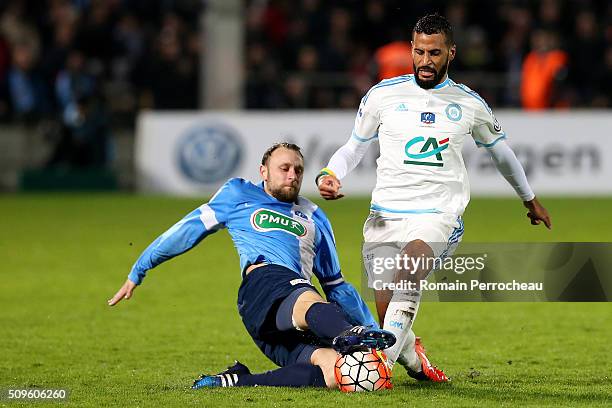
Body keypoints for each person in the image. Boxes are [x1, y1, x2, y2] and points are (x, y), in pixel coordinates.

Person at [317, 14, 551, 383]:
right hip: (385, 212)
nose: (426, 60)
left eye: (435, 53)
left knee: (412, 265)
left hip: (439, 212)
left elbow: (502, 153)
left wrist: (528, 198)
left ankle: (378, 368)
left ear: (451, 53)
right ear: (412, 50)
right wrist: (331, 174)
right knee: (385, 309)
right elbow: (353, 147)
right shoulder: (382, 96)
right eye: (420, 51)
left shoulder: (469, 103)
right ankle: (414, 359)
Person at [108, 143, 395, 389]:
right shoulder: (238, 194)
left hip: (284, 317)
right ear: (264, 171)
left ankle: (240, 380)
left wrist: (370, 327)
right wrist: (139, 268)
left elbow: (336, 286)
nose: (292, 175)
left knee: (335, 373)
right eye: (284, 168)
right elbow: (188, 229)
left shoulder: (314, 217)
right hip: (266, 284)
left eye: (298, 170)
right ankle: (346, 335)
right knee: (309, 299)